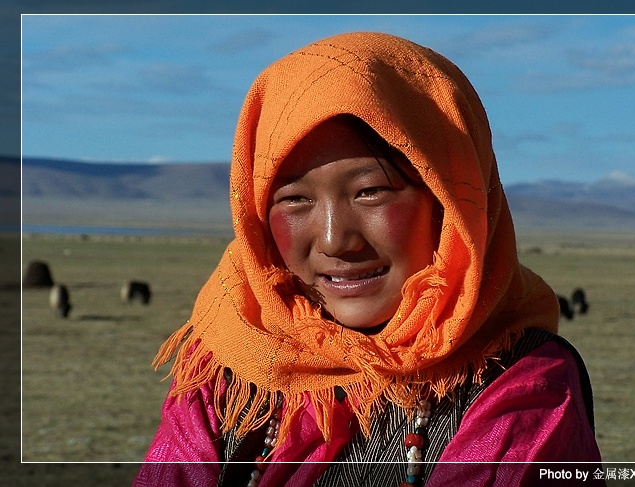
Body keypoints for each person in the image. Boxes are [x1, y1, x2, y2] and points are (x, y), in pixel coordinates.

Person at [133, 31, 604, 487]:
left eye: (371, 191)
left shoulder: (522, 387)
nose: (336, 241)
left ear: (453, 202)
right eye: (295, 200)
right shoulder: (230, 370)